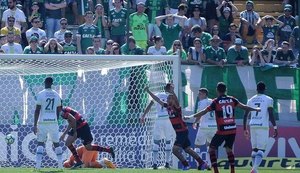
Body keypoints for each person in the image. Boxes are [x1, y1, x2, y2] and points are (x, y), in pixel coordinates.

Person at [184, 82, 260, 173]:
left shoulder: (216, 101)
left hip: (222, 130)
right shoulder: (232, 99)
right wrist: (255, 109)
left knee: (211, 149)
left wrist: (191, 116)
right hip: (232, 129)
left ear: (217, 90)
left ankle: (215, 171)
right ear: (226, 90)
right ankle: (232, 171)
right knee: (229, 149)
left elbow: (204, 112)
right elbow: (244, 107)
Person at [145, 86, 210, 171]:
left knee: (174, 150)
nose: (167, 100)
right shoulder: (167, 106)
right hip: (181, 131)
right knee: (188, 149)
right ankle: (202, 163)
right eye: (167, 99)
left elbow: (175, 99)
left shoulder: (177, 108)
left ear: (173, 100)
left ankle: (186, 165)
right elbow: (157, 99)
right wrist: (148, 91)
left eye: (169, 99)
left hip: (181, 131)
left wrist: (172, 92)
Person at [243, 81, 278, 173]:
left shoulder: (250, 100)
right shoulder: (269, 99)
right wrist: (275, 127)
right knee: (261, 150)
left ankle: (255, 169)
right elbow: (270, 114)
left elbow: (245, 115)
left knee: (254, 149)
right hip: (262, 126)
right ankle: (254, 169)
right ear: (265, 89)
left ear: (256, 90)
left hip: (252, 125)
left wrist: (244, 128)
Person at [140, 83, 175, 169]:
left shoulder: (158, 94)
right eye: (172, 88)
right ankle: (167, 163)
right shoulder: (172, 96)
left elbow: (150, 105)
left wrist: (143, 115)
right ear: (170, 88)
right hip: (168, 120)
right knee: (168, 141)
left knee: (156, 142)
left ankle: (154, 163)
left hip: (159, 119)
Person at [33, 77, 63, 169]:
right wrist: (56, 120)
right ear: (52, 83)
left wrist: (35, 125)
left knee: (40, 143)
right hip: (53, 122)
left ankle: (37, 167)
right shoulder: (56, 95)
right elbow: (59, 110)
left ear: (45, 83)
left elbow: (37, 110)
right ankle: (60, 166)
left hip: (42, 122)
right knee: (56, 143)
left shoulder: (41, 94)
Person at [193, 88, 216, 169]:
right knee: (210, 146)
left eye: (200, 94)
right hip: (213, 127)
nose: (198, 96)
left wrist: (195, 122)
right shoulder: (213, 101)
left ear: (205, 94)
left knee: (197, 146)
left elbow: (200, 114)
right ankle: (209, 164)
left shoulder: (201, 102)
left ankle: (199, 164)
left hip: (204, 126)